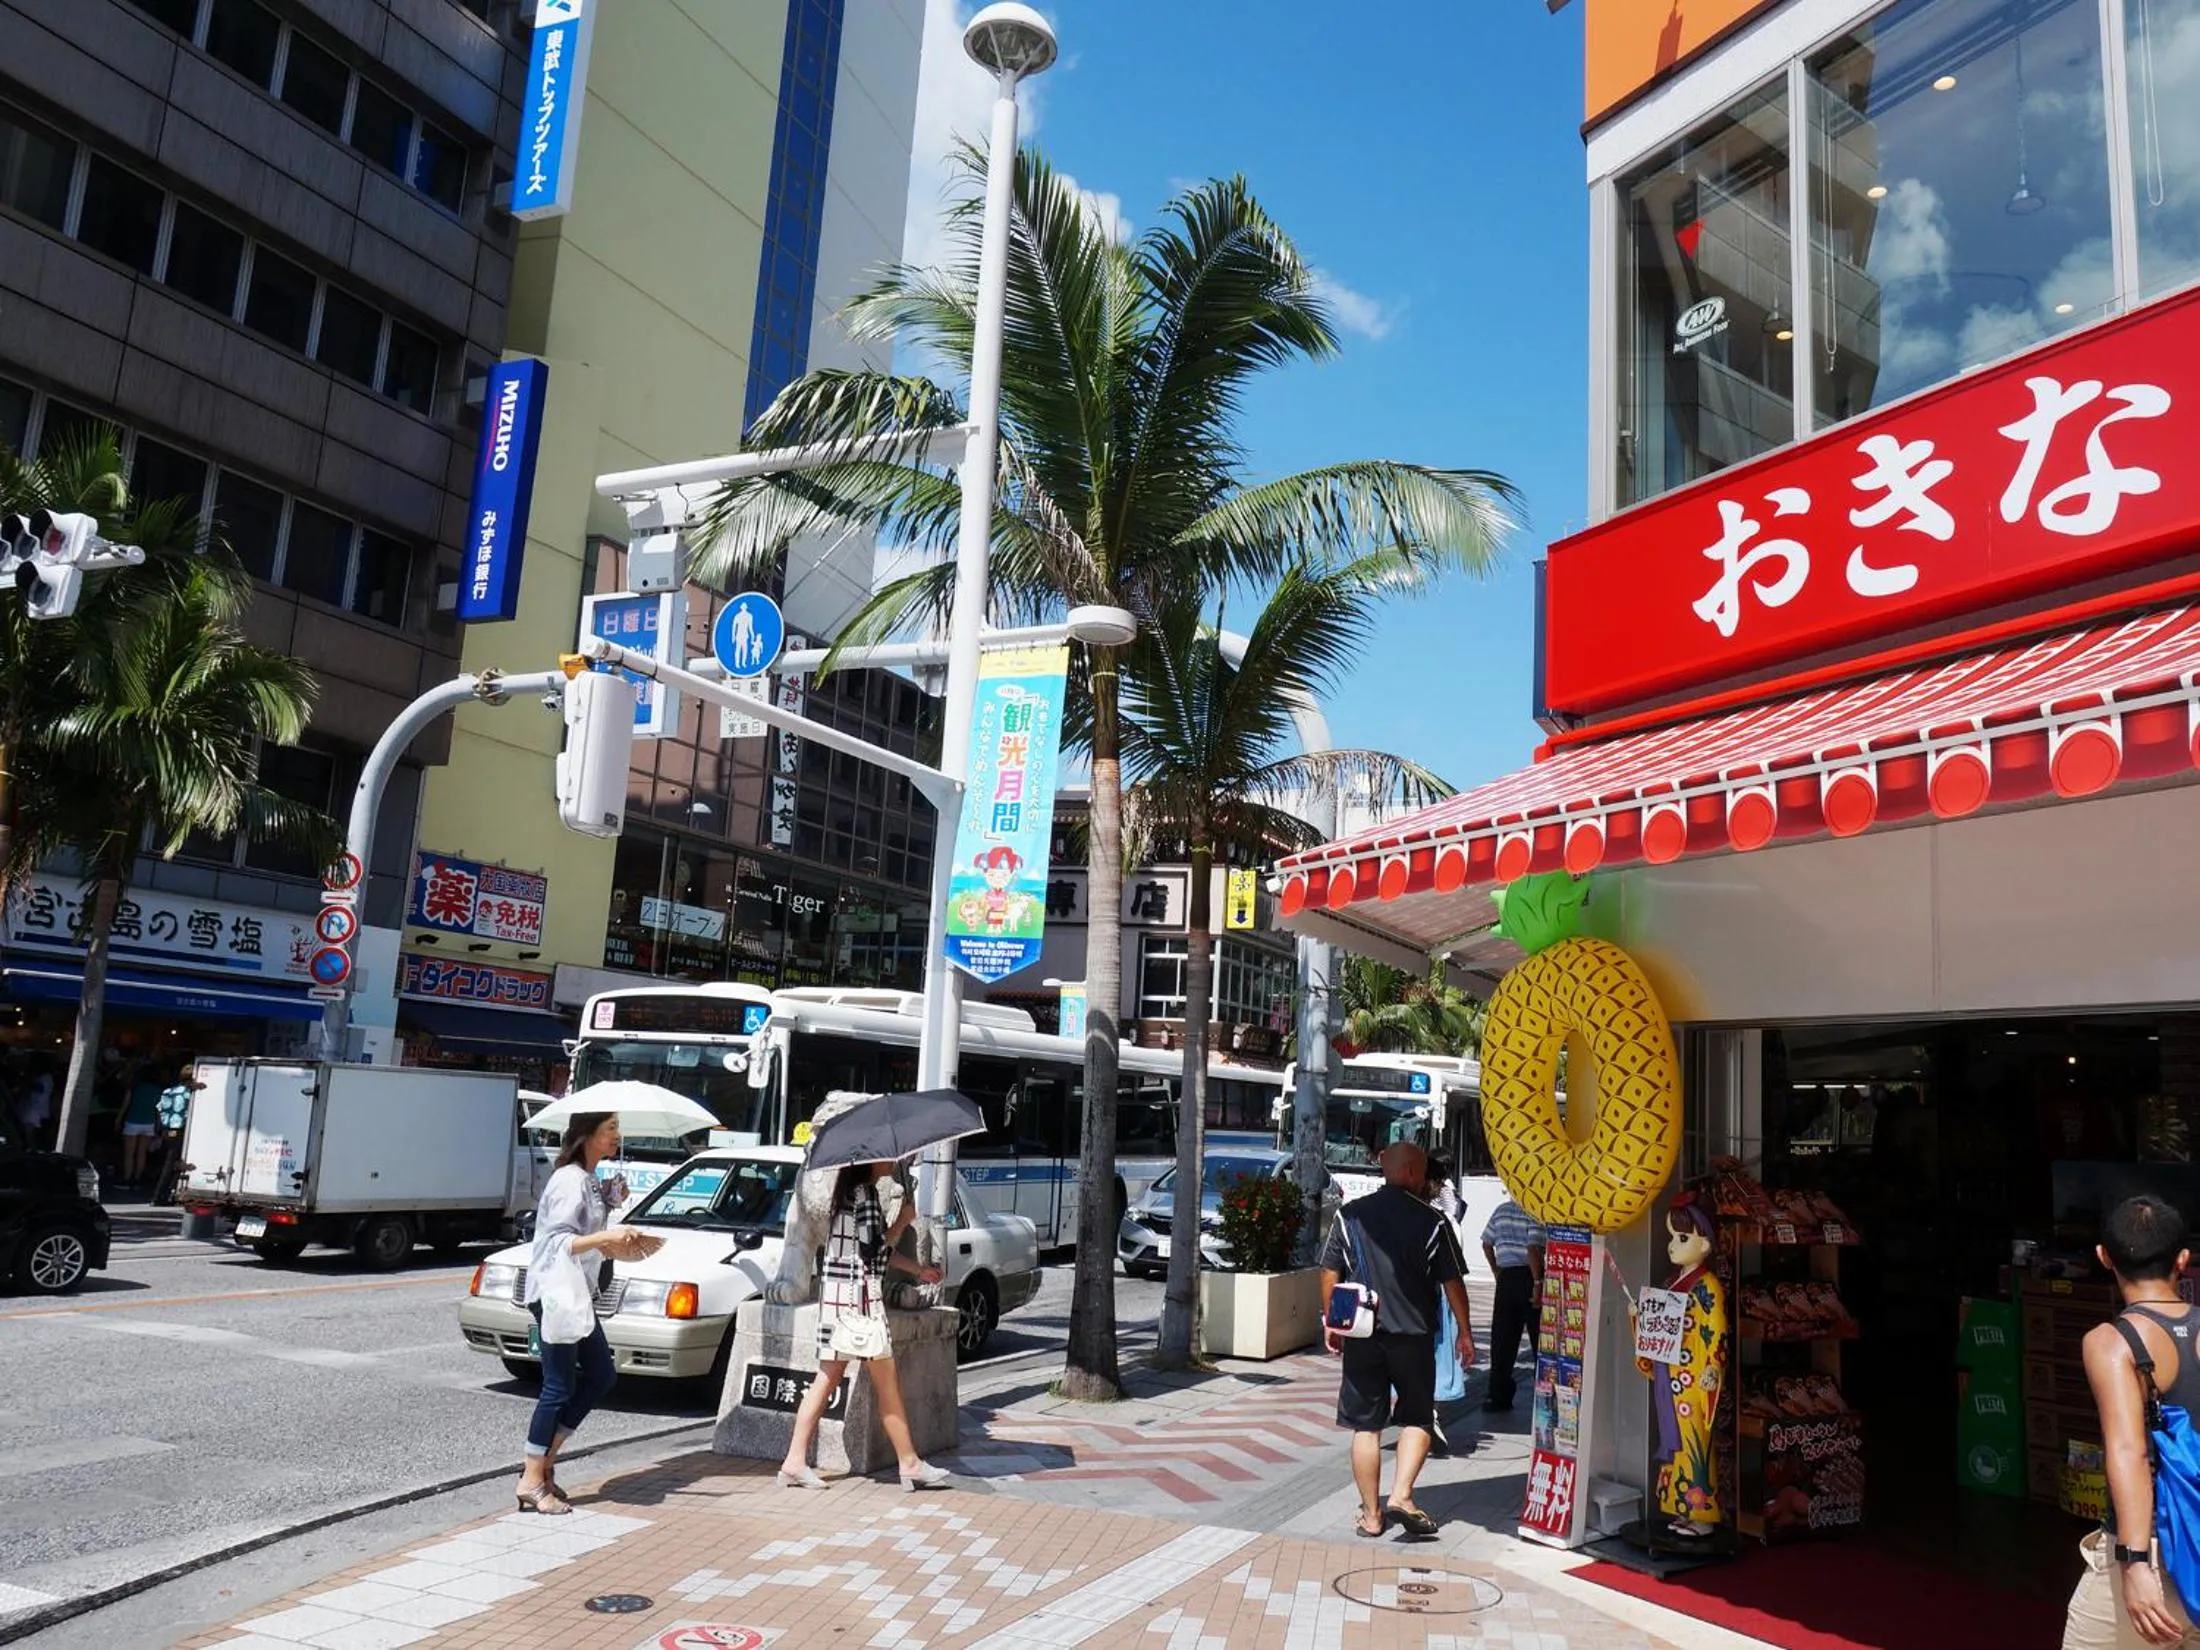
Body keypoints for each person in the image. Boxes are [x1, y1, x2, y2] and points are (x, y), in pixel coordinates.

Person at [1320, 1142, 1476, 1540]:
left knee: (1365, 1427)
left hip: (1362, 1335)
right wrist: (1465, 1332)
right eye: (1423, 1172)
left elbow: (1329, 1271)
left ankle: (1371, 1516)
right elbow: (1452, 1282)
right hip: (1414, 1336)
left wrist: (1332, 1323)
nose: (1425, 1180)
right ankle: (1402, 1496)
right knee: (1418, 1417)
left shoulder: (1350, 1214)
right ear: (1409, 1172)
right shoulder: (1433, 1221)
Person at [2066, 1195, 2200, 1648]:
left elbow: (2129, 1450)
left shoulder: (2111, 1342)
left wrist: (2135, 1562)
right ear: (2183, 1259)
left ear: (2104, 1258)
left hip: (2156, 1554)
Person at [515, 1112, 662, 1516]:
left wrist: (611, 1202)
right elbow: (558, 1242)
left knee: (601, 1375)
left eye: (617, 1128)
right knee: (557, 1386)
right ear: (586, 1135)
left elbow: (584, 1232)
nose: (618, 1135)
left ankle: (546, 1462)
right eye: (611, 1128)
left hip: (577, 1295)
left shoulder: (588, 1179)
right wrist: (607, 1235)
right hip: (556, 1294)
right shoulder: (568, 1180)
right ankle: (531, 1478)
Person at [779, 1158, 950, 1491]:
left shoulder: (845, 1194)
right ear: (875, 1160)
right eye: (891, 1158)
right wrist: (902, 1221)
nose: (895, 1162)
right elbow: (873, 1250)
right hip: (859, 1303)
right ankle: (909, 1464)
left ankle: (795, 1461)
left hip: (838, 1298)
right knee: (883, 1385)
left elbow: (867, 1249)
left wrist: (917, 1270)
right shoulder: (865, 1194)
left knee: (827, 1380)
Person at [1422, 1154, 1473, 1459]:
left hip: (1402, 1305)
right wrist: (1464, 1328)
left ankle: (1424, 1413)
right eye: (1437, 1181)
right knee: (1436, 1358)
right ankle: (1429, 1414)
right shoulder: (1440, 1220)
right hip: (1437, 1298)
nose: (1440, 1186)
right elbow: (1453, 1276)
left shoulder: (1437, 1215)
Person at [1480, 1195, 1547, 1413]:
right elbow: (1533, 1249)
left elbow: (1486, 1243)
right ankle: (1545, 1396)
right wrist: (1537, 1283)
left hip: (1506, 1278)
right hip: (1529, 1276)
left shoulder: (1500, 1211)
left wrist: (1496, 1270)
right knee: (1539, 1338)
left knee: (1502, 1339)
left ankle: (1497, 1396)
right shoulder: (1534, 1211)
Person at [118, 1061, 168, 1189]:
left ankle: (126, 1179)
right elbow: (159, 1110)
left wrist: (118, 1119)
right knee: (142, 1153)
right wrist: (158, 1126)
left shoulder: (134, 1087)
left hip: (133, 1121)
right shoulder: (158, 1090)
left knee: (129, 1153)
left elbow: (125, 1105)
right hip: (148, 1123)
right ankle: (137, 1179)